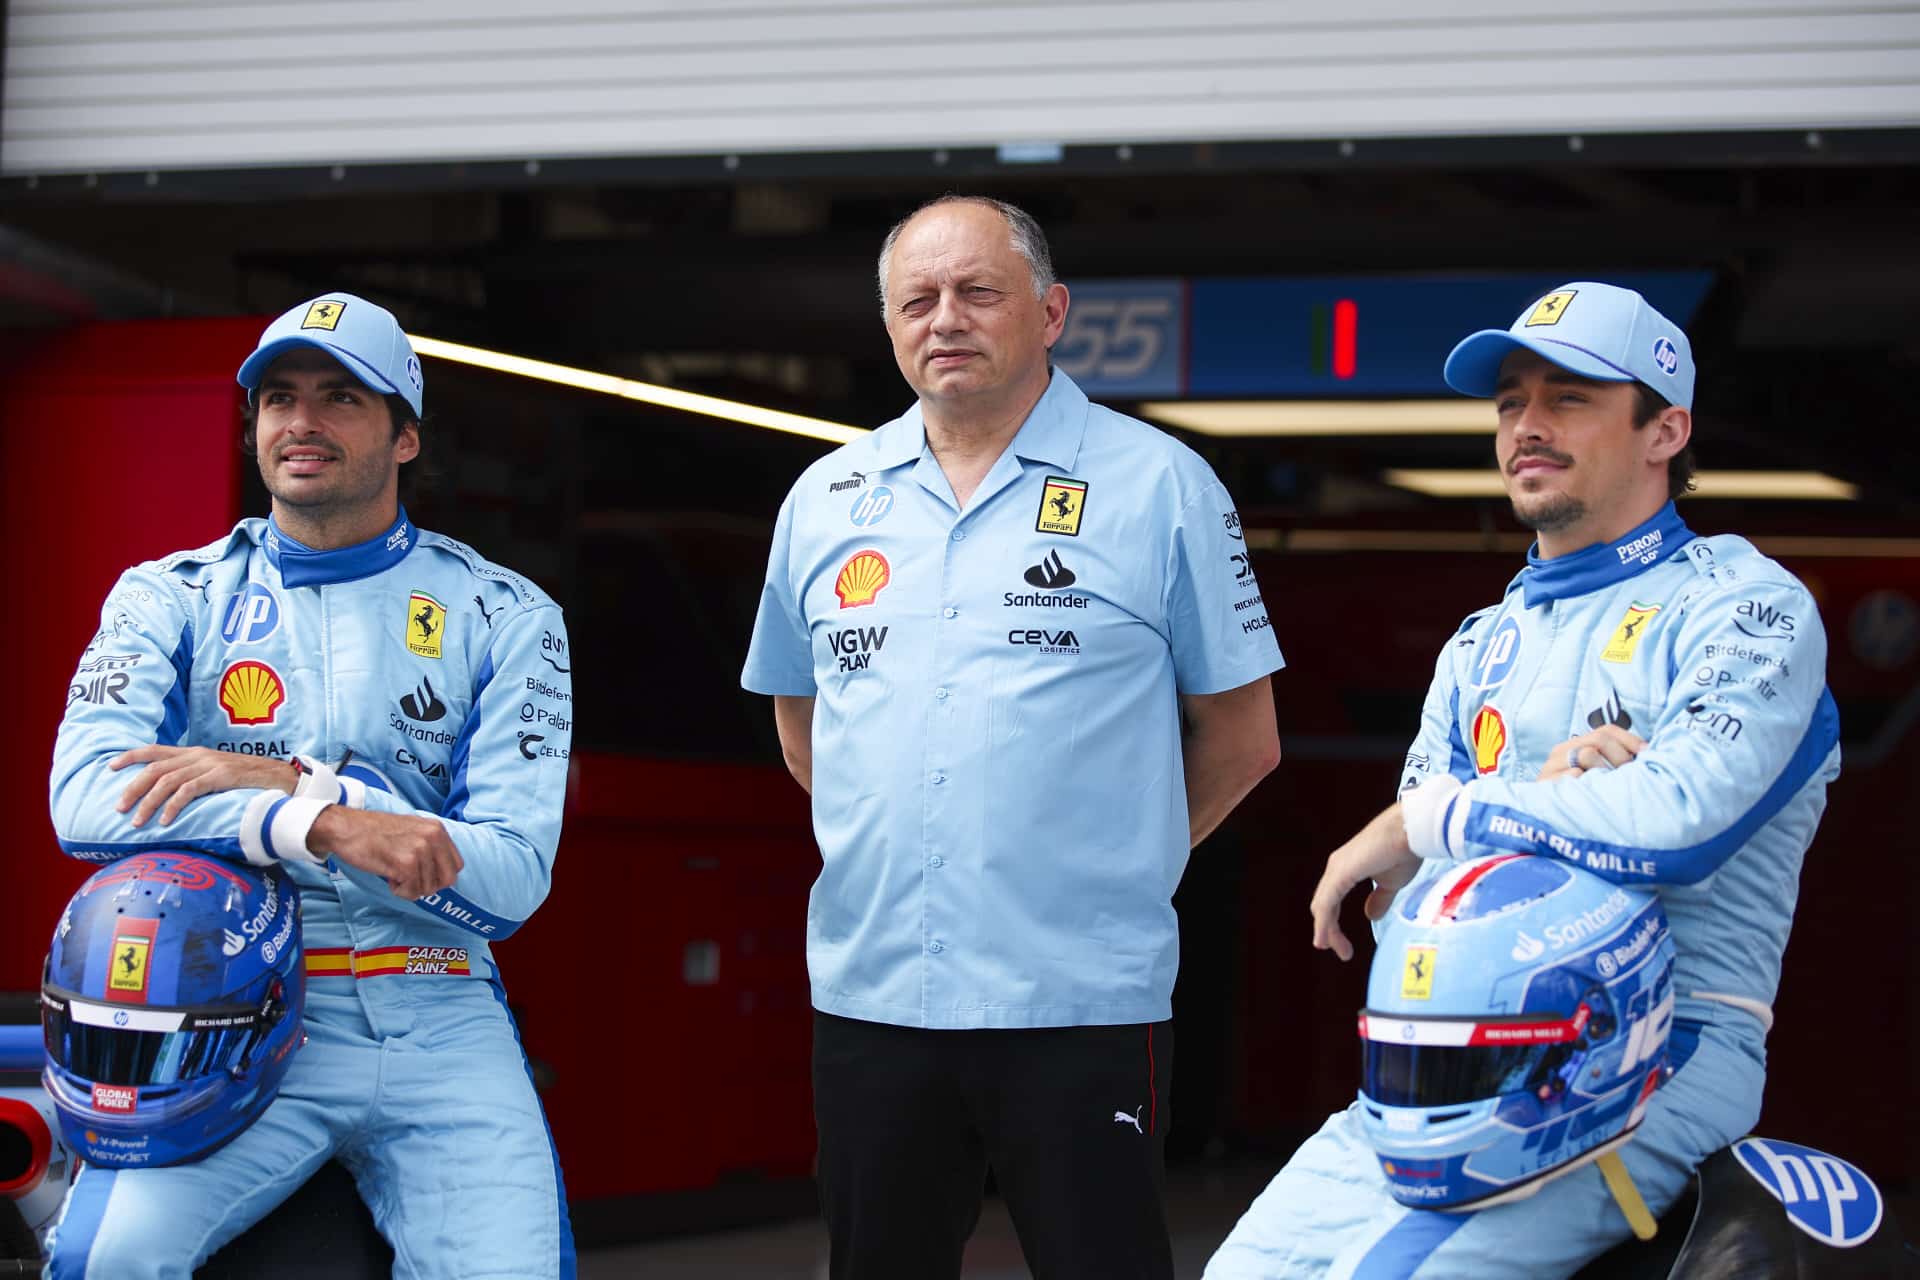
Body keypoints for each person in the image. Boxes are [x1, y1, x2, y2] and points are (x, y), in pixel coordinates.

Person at [1206, 281, 1840, 1278]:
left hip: (1645, 1053)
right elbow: (1407, 908)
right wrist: (1545, 804)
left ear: (1664, 428)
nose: (1527, 427)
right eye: (1511, 401)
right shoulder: (1481, 646)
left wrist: (1441, 814)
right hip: (1434, 1061)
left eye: (1569, 397)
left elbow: (1677, 820)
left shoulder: (1748, 607)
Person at [741, 195, 1285, 1278]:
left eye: (979, 291)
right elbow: (803, 721)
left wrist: (1118, 863)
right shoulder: (823, 497)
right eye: (919, 298)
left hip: (1080, 999)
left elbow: (1242, 734)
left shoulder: (1161, 486)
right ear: (891, 324)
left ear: (1051, 311)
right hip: (874, 994)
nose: (946, 318)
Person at [45, 293, 576, 1279]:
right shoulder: (173, 594)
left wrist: (293, 774)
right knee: (102, 1262)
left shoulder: (507, 613)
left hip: (442, 1011)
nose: (302, 421)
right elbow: (83, 795)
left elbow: (508, 879)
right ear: (253, 426)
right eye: (278, 397)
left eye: (341, 397)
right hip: (236, 1022)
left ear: (405, 434)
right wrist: (314, 821)